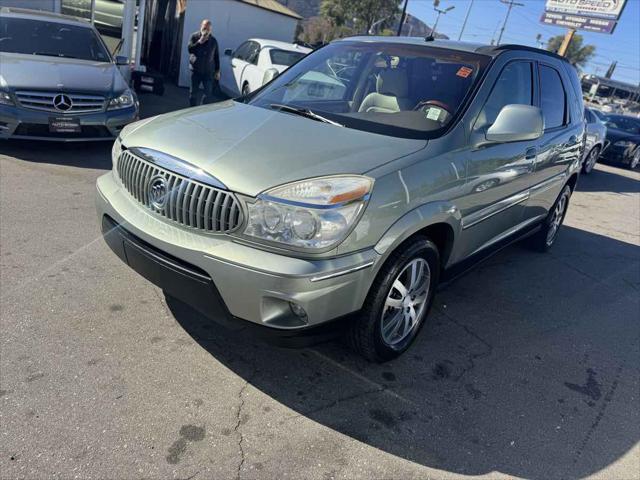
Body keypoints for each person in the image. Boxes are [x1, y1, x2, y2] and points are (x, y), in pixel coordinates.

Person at [187, 19, 220, 106]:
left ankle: (201, 111)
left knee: (208, 94)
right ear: (201, 27)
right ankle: (191, 111)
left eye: (208, 29)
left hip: (208, 72)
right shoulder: (194, 37)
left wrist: (217, 70)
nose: (206, 31)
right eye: (205, 28)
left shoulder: (213, 41)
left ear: (211, 30)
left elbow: (216, 57)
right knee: (193, 93)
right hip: (196, 70)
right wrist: (199, 42)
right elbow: (190, 50)